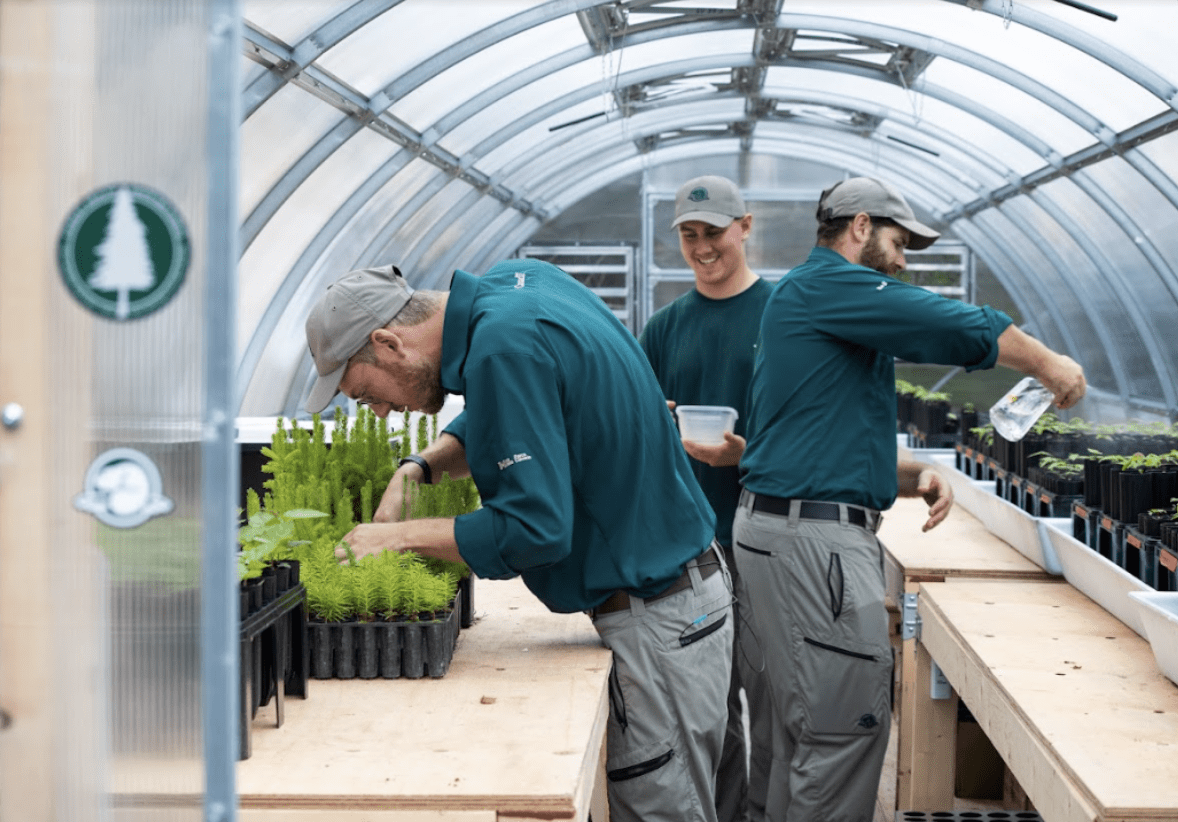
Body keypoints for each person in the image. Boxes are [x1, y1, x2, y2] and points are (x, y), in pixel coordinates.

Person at [303, 261, 736, 822]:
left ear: (388, 343)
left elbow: (536, 529)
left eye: (367, 395)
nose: (383, 412)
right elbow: (512, 409)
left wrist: (399, 539)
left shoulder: (501, 349)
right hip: (683, 599)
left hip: (658, 617)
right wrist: (420, 467)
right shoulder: (518, 287)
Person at [733, 176, 1087, 822]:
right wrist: (1046, 363)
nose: (902, 264)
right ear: (860, 227)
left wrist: (910, 475)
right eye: (898, 245)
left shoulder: (802, 302)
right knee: (843, 735)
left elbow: (808, 439)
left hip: (779, 535)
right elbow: (942, 323)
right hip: (814, 550)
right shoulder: (830, 287)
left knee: (803, 738)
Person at [638, 175, 772, 822]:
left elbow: (806, 430)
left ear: (746, 226)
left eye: (713, 232)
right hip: (691, 542)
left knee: (771, 694)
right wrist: (658, 420)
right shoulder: (664, 329)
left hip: (766, 534)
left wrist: (744, 454)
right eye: (689, 235)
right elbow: (632, 426)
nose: (701, 247)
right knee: (707, 702)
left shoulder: (781, 316)